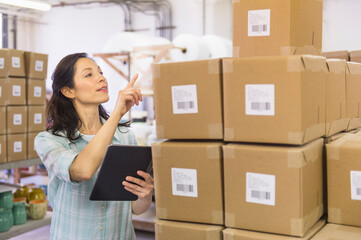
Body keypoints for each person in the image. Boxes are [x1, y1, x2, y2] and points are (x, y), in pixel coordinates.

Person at [35, 52, 154, 240]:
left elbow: (136, 209)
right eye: (88, 74)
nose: (101, 78)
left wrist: (145, 195)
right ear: (68, 91)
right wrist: (117, 113)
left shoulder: (125, 137)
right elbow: (81, 170)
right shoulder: (49, 140)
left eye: (100, 72)